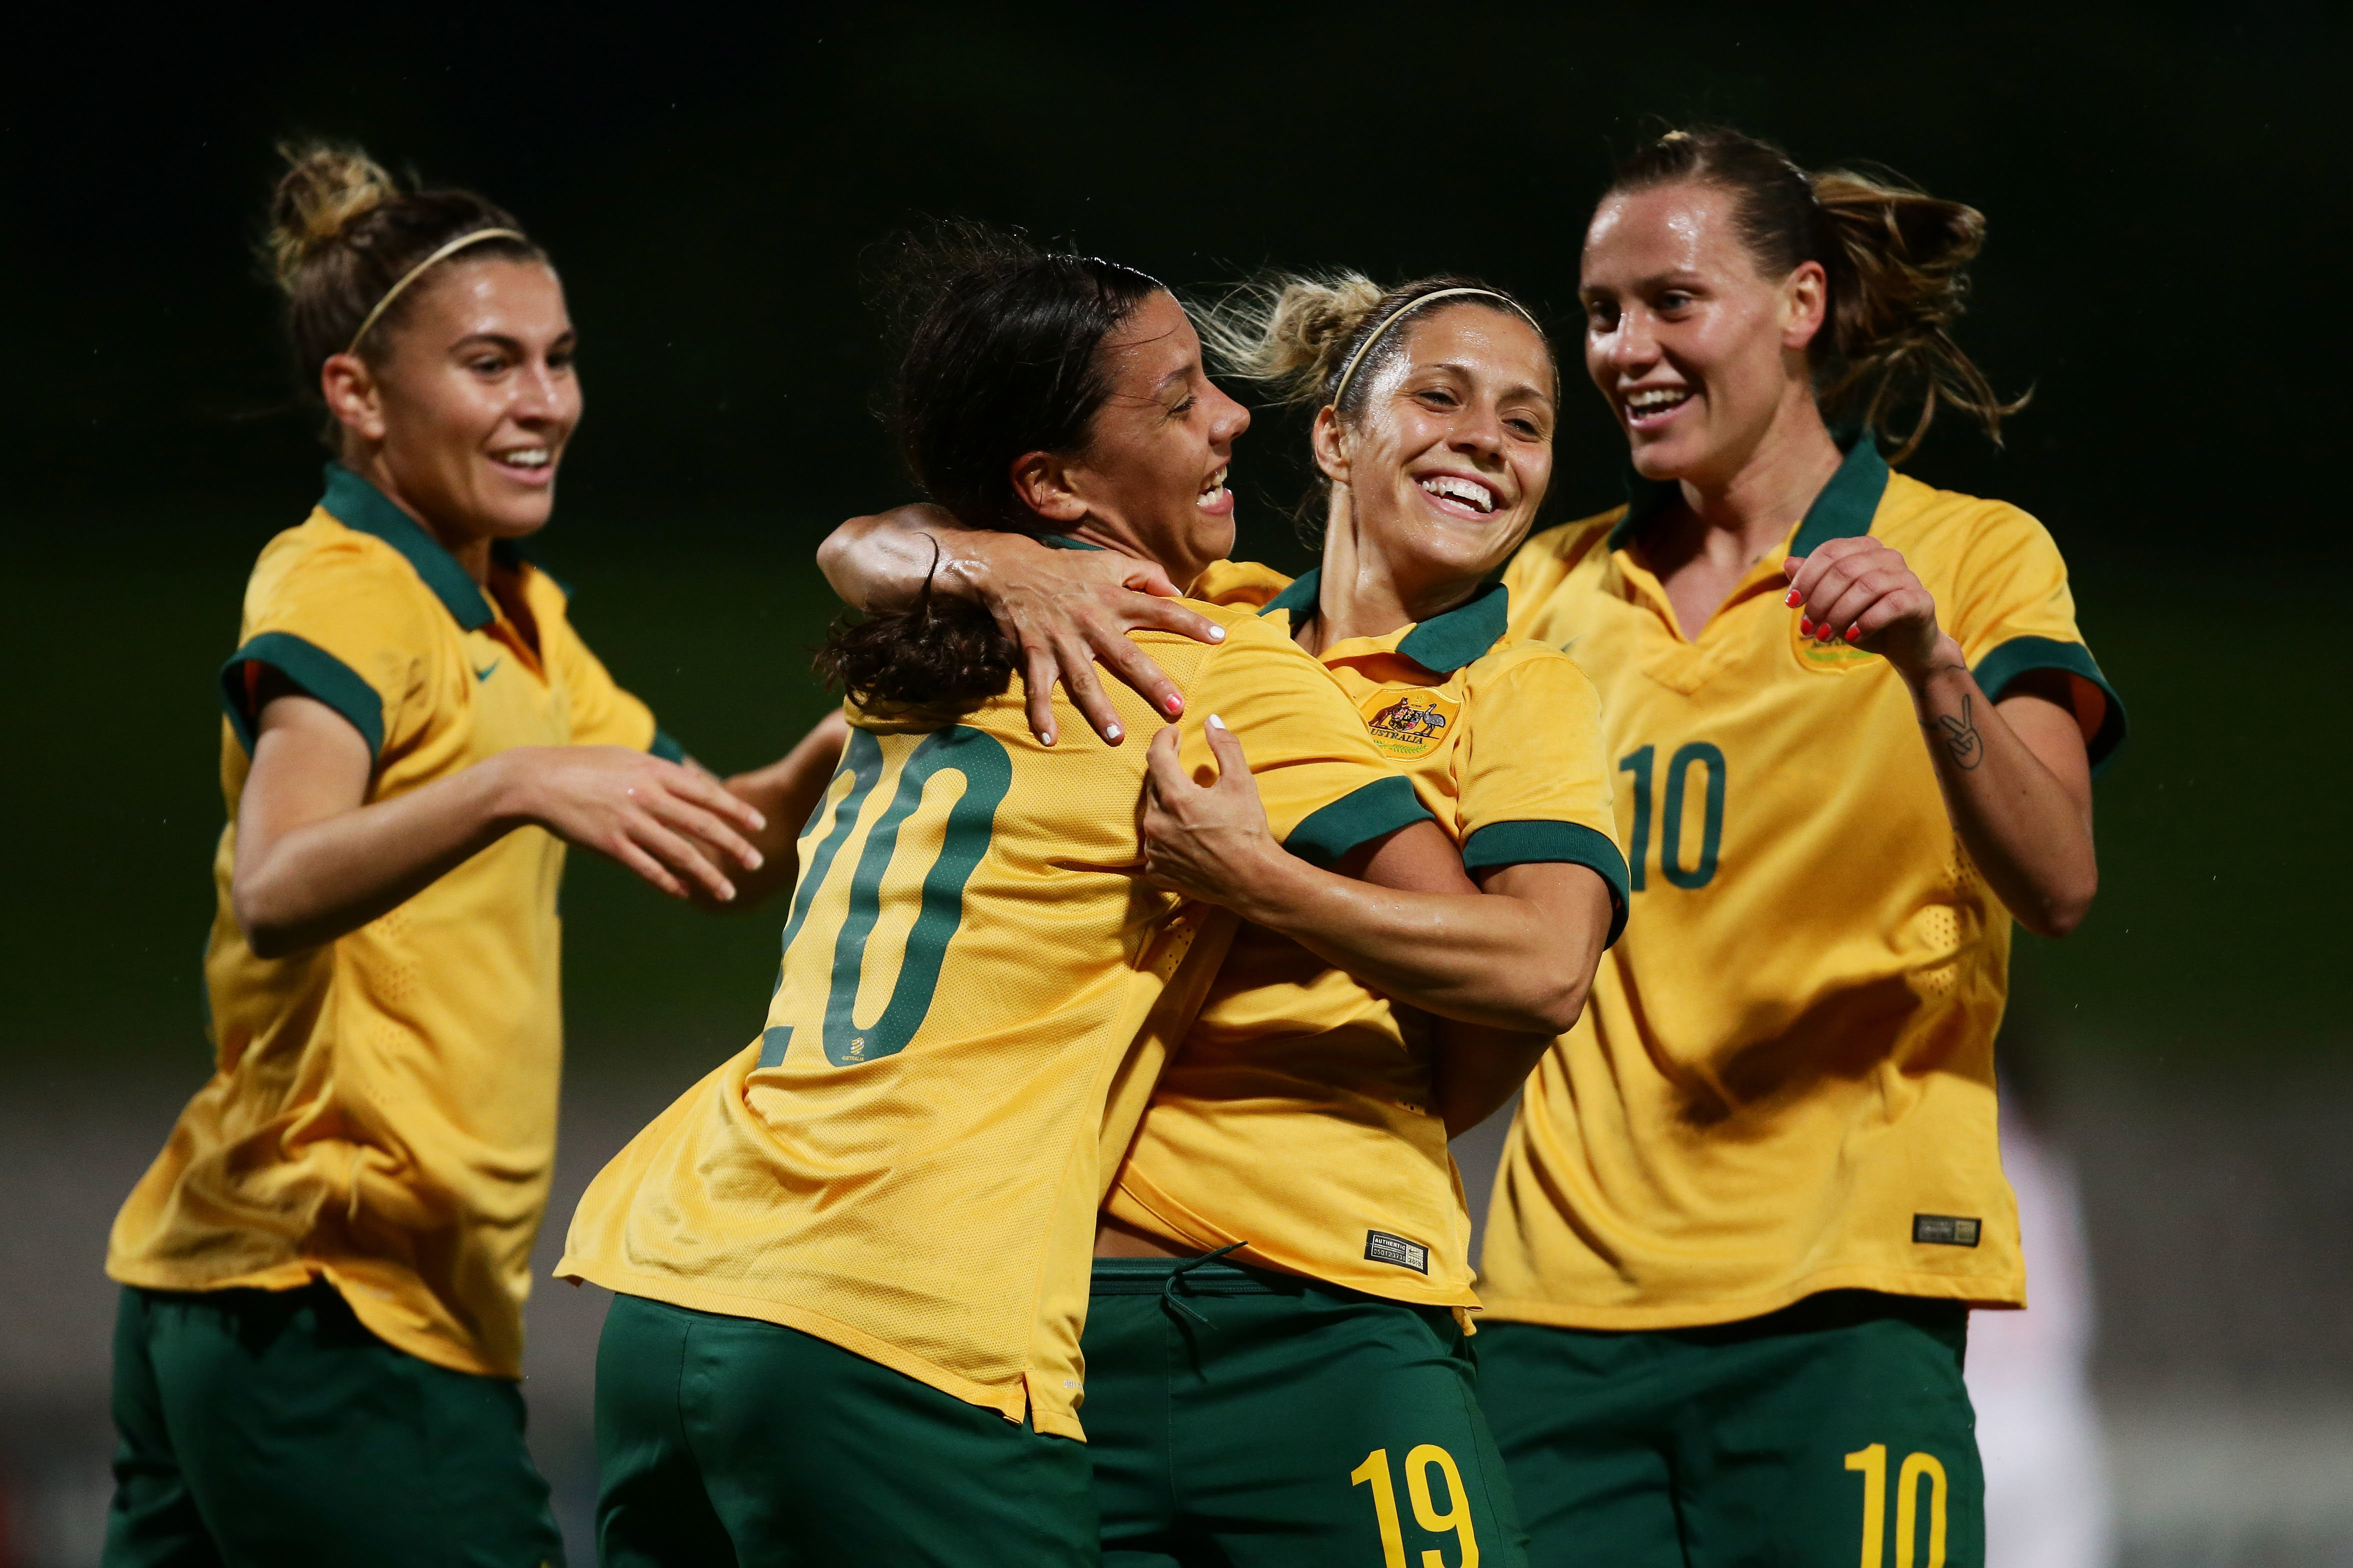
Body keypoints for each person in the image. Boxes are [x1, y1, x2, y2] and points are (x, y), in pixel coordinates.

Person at [558, 232, 1486, 1566]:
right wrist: (1261, 877)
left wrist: (956, 559)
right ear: (1047, 482)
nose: (1233, 416)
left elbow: (798, 735)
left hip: (669, 1305)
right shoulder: (1207, 675)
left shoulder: (909, 662)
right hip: (898, 1326)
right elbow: (1503, 954)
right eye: (1177, 402)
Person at [100, 143, 836, 1568]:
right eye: (492, 364)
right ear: (358, 398)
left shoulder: (516, 617)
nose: (545, 403)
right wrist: (512, 781)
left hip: (239, 1288)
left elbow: (729, 847)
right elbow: (278, 881)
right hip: (329, 1307)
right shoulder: (346, 591)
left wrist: (848, 738)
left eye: (557, 360)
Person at [824, 271, 1627, 1566]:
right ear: (1329, 433)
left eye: (1527, 421)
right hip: (1059, 1304)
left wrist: (1266, 886)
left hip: (1331, 1301)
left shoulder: (1521, 688)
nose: (1486, 435)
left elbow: (1533, 978)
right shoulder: (1193, 609)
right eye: (1440, 394)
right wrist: (1003, 563)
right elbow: (861, 541)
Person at [1470, 126, 2126, 1567]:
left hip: (1840, 1300)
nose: (1623, 348)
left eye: (1668, 302)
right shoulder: (1536, 594)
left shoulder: (1967, 557)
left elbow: (2059, 880)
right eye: (1597, 313)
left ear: (1801, 306)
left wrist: (1928, 667)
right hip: (1551, 1311)